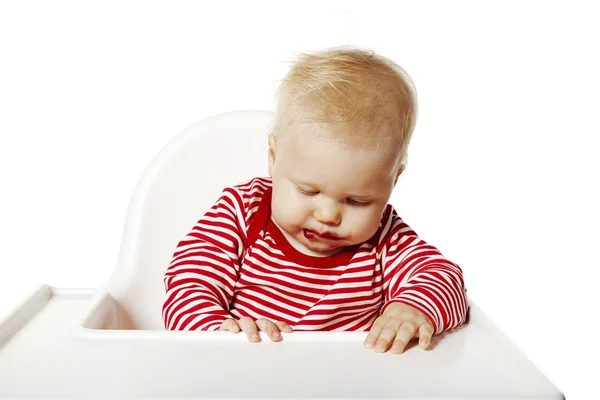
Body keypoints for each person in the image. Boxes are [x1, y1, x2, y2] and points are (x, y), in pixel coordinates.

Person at [162, 46, 469, 354]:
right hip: (242, 372)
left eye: (356, 201)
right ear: (273, 157)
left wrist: (413, 307)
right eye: (308, 191)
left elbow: (446, 279)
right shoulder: (243, 211)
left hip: (345, 382)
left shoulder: (386, 240)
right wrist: (217, 331)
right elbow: (188, 284)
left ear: (393, 181)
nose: (327, 215)